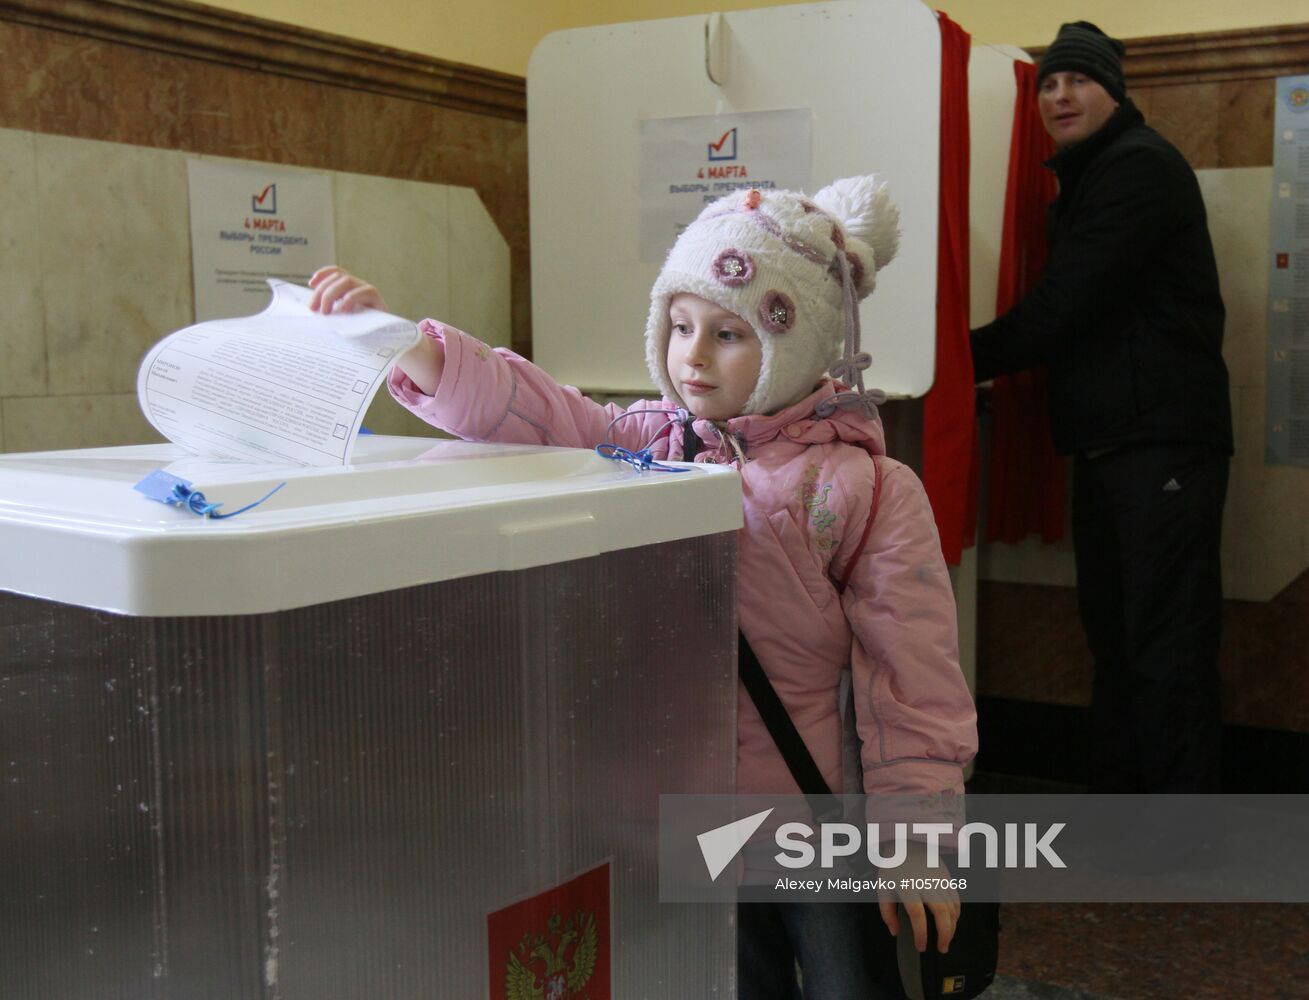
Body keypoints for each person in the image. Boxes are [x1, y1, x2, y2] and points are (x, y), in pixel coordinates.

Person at [310, 176, 978, 997]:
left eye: (728, 334)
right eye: (680, 325)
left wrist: (914, 837)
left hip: (816, 826)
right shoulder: (642, 442)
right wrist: (405, 346)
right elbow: (529, 413)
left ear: (795, 341)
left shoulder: (865, 489)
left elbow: (912, 679)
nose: (691, 356)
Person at [970, 21, 1233, 793]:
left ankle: (1177, 833)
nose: (1058, 95)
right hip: (1120, 440)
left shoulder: (1135, 169)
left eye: (1077, 80)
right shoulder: (1097, 173)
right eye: (1048, 83)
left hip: (1159, 442)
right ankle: (1126, 809)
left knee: (1163, 640)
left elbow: (1066, 305)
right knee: (1119, 634)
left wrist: (957, 359)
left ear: (1114, 91)